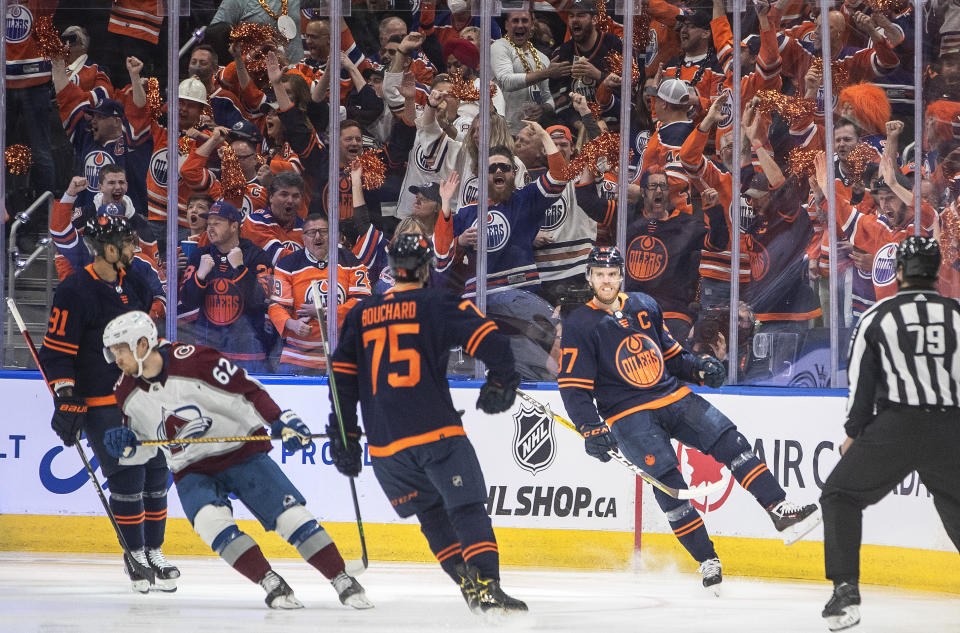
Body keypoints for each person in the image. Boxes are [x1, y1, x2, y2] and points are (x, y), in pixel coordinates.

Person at [558, 246, 822, 593]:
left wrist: (699, 368)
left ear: (621, 275)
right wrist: (590, 427)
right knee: (670, 486)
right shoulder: (580, 324)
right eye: (599, 275)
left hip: (674, 397)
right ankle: (707, 559)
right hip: (628, 414)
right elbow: (573, 386)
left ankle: (780, 509)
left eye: (611, 274)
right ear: (590, 278)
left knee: (733, 443)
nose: (606, 281)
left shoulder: (644, 306)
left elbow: (673, 356)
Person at [98, 312, 372, 611]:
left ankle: (341, 578)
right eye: (112, 352)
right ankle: (270, 582)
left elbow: (248, 388)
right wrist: (126, 448)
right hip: (191, 468)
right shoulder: (125, 392)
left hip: (240, 451)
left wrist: (280, 419)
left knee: (289, 517)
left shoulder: (195, 360)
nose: (116, 359)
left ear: (142, 344)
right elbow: (146, 448)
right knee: (210, 523)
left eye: (120, 350)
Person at [327, 233, 527, 614]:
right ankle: (487, 586)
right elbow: (492, 342)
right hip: (436, 431)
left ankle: (469, 588)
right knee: (466, 508)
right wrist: (501, 382)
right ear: (425, 267)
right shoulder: (437, 303)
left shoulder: (361, 312)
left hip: (386, 446)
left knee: (431, 515)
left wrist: (345, 435)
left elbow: (342, 378)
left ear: (390, 267)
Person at [820, 237, 960, 632]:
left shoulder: (878, 316)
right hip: (952, 426)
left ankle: (846, 592)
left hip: (897, 426)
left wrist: (853, 434)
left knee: (840, 495)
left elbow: (863, 385)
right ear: (936, 272)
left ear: (899, 272)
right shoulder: (956, 314)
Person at [38, 216, 176, 593]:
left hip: (143, 400)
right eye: (128, 243)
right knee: (128, 478)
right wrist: (66, 397)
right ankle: (134, 555)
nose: (134, 248)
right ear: (108, 250)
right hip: (102, 403)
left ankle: (154, 551)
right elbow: (56, 354)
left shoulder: (131, 282)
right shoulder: (75, 290)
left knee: (156, 474)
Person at [179, 200, 275, 373]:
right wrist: (200, 276)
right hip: (209, 351)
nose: (210, 228)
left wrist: (240, 269)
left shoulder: (257, 256)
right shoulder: (200, 256)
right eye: (208, 224)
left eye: (217, 223)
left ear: (234, 227)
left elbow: (261, 300)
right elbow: (187, 301)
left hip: (249, 352)